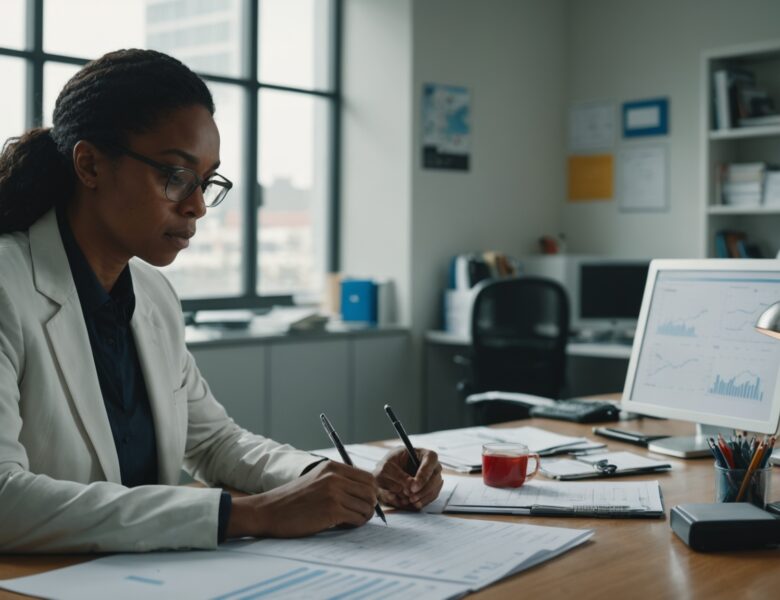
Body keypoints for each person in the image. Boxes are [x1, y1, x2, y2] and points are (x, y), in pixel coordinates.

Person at [0, 49, 443, 553]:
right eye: (174, 175)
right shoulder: (6, 288)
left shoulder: (152, 295)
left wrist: (331, 480)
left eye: (206, 182)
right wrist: (253, 514)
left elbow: (214, 442)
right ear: (90, 164)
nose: (196, 206)